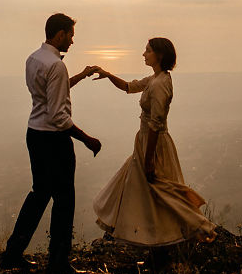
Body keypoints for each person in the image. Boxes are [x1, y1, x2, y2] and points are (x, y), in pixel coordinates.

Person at [0, 13, 102, 274]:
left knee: (39, 195)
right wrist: (87, 138)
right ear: (59, 34)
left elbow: (49, 94)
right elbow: (58, 115)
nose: (72, 40)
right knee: (65, 200)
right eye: (70, 35)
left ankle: (12, 254)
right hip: (54, 140)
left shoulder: (34, 59)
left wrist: (81, 75)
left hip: (34, 134)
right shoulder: (56, 65)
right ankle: (58, 265)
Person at [91, 37, 217, 246]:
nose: (143, 54)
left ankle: (197, 227)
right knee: (149, 193)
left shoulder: (159, 84)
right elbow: (129, 87)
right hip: (145, 143)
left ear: (159, 55)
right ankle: (156, 242)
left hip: (153, 145)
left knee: (161, 191)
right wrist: (106, 75)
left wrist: (148, 160)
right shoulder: (156, 79)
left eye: (147, 51)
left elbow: (156, 124)